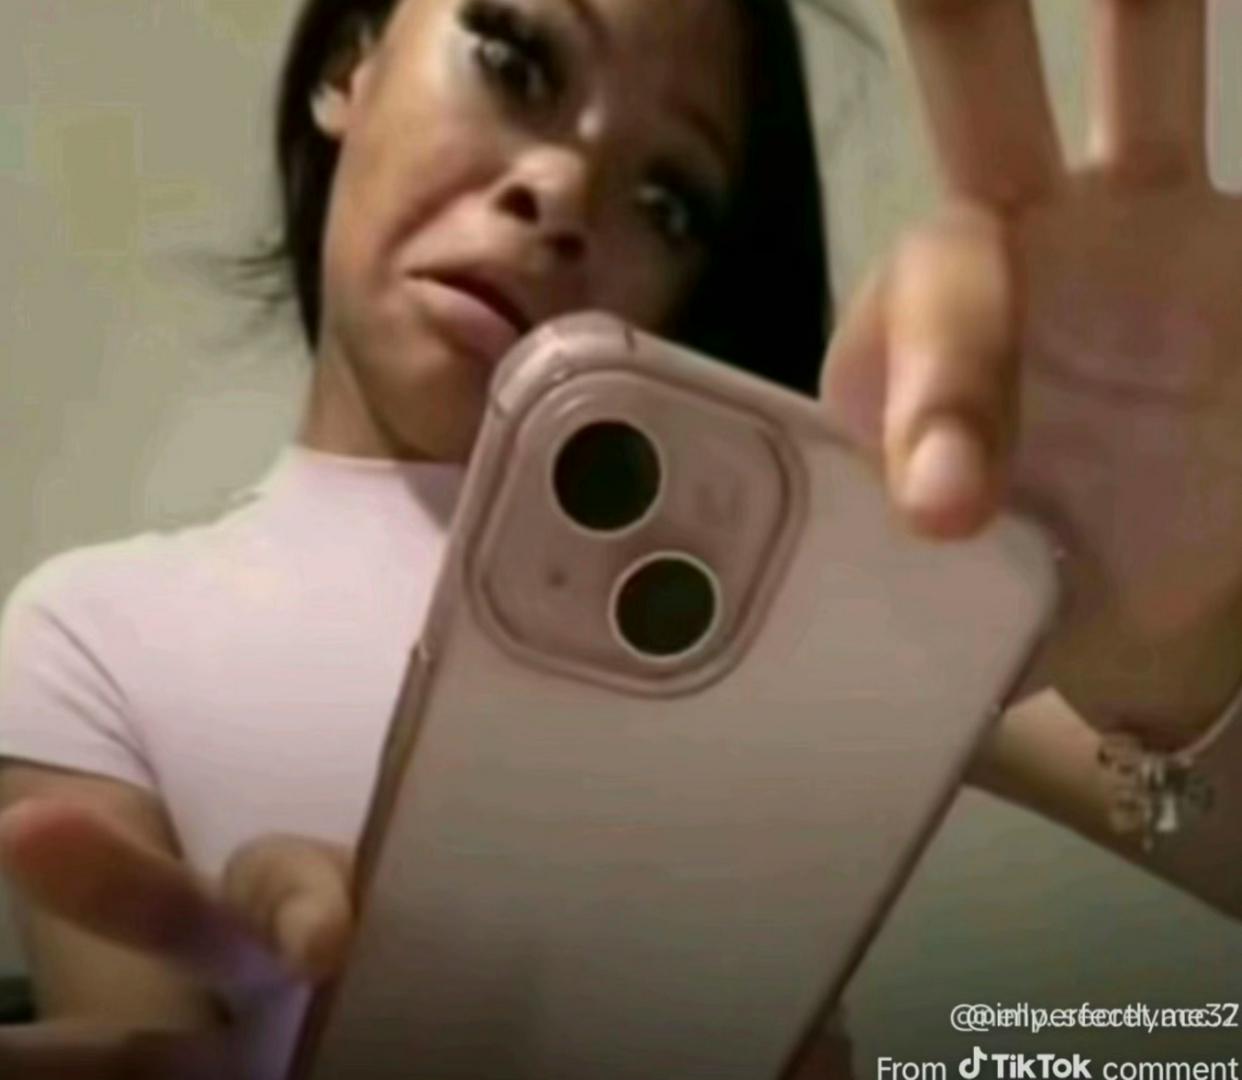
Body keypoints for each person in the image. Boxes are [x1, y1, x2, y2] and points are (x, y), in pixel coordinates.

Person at [1, 0, 1239, 1077]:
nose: (563, 193)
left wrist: (1174, 658)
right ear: (347, 67)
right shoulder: (88, 632)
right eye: (515, 59)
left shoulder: (798, 587)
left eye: (667, 198)